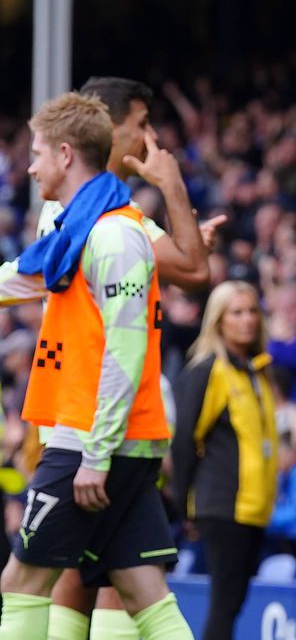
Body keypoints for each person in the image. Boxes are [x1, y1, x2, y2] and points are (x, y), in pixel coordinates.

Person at [0, 92, 191, 639]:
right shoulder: (74, 235)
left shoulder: (114, 235)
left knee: (20, 582)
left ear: (64, 154)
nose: (30, 165)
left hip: (94, 440)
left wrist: (96, 454)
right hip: (109, 440)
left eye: (36, 152)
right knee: (143, 593)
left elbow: (126, 353)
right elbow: (17, 279)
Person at [42, 77, 222, 640]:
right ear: (105, 125)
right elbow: (193, 270)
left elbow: (189, 265)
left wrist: (179, 239)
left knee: (91, 573)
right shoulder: (96, 217)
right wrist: (170, 187)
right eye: (140, 124)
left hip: (102, 420)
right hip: (97, 419)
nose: (150, 138)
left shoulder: (105, 213)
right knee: (85, 575)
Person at [171, 280, 278, 640]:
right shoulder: (207, 370)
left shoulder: (257, 369)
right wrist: (183, 504)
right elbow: (184, 440)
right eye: (237, 312)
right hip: (222, 505)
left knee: (233, 603)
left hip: (254, 507)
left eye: (252, 311)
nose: (246, 320)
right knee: (224, 603)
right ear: (218, 320)